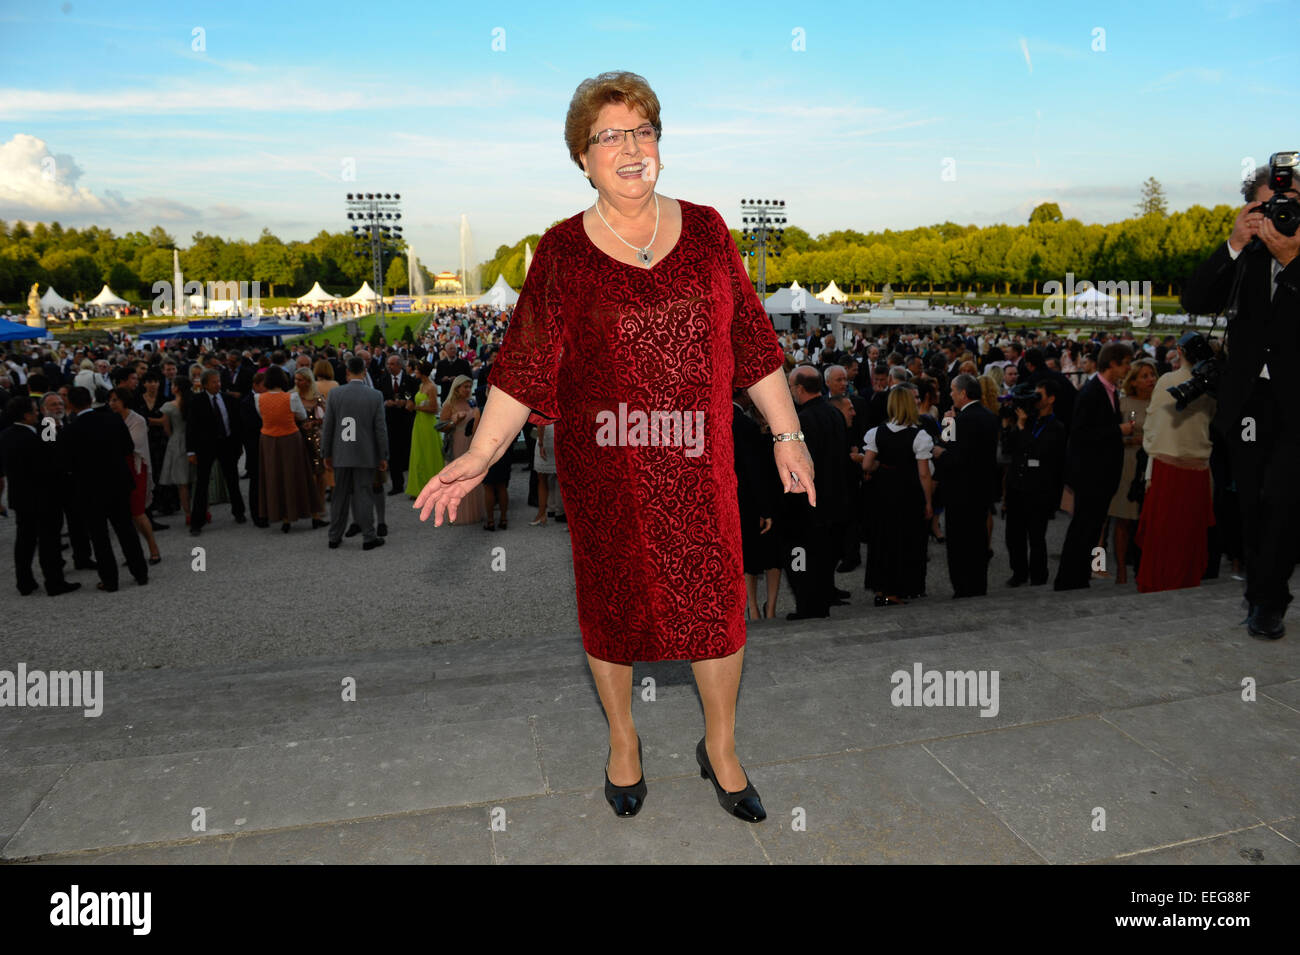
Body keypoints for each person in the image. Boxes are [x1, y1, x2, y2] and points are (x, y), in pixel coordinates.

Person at [413, 71, 810, 823]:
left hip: (700, 469)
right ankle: (622, 740)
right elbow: (525, 365)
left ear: (659, 143)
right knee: (613, 611)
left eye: (643, 131)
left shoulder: (710, 229)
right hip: (608, 473)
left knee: (717, 612)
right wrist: (482, 454)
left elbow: (752, 344)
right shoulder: (561, 251)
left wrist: (788, 435)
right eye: (610, 137)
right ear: (582, 157)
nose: (630, 148)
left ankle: (720, 747)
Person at [1183, 164, 1300, 637]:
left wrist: (1293, 262)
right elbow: (1195, 298)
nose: (1280, 214)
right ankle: (1260, 597)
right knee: (1252, 504)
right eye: (1269, 205)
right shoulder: (1244, 255)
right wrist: (1234, 242)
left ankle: (1271, 598)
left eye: (1290, 204)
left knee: (1284, 499)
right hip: (1248, 400)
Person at [1134, 337, 1217, 592]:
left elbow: (1152, 423)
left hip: (1169, 468)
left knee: (1165, 534)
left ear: (1180, 352)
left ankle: (1161, 582)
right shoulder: (1213, 384)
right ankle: (1185, 581)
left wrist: (1153, 445)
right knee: (1188, 535)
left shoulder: (1168, 381)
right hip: (1198, 467)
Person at [1054, 343, 1135, 590]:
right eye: (1125, 363)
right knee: (1083, 527)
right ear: (1113, 363)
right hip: (1091, 475)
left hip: (1101, 474)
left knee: (1090, 528)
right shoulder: (1092, 391)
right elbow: (1080, 434)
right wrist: (1117, 430)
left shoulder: (1107, 389)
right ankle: (1069, 579)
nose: (1128, 369)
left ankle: (1078, 576)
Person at [58, 386, 149, 591]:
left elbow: (65, 464)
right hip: (117, 482)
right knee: (126, 529)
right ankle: (140, 572)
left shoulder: (70, 430)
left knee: (100, 537)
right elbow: (127, 448)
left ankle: (110, 579)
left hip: (90, 488)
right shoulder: (113, 419)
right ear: (91, 400)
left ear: (70, 405)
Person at [0, 396, 80, 596]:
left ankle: (24, 582)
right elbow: (52, 460)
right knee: (49, 542)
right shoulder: (35, 437)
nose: (39, 414)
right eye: (36, 411)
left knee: (24, 541)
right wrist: (49, 425)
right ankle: (54, 583)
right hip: (44, 497)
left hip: (19, 496)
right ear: (26, 415)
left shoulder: (6, 435)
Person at [861, 386, 933, 605]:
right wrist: (929, 501)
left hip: (883, 490)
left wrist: (880, 465)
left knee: (882, 539)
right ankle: (901, 588)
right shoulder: (919, 435)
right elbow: (924, 474)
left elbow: (866, 464)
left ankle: (882, 587)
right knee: (906, 539)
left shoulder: (877, 432)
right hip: (908, 492)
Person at [785, 365, 847, 619]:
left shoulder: (802, 421)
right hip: (834, 500)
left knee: (801, 558)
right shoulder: (835, 414)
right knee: (824, 555)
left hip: (807, 504)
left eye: (791, 388)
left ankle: (808, 605)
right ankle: (821, 599)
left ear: (799, 388)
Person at [933, 373, 999, 597]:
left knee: (960, 544)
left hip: (960, 492)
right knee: (979, 540)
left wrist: (940, 451)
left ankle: (962, 587)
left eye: (952, 390)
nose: (950, 394)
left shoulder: (962, 421)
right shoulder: (989, 416)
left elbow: (951, 453)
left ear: (962, 393)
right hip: (982, 490)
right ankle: (978, 585)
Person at [1002, 382, 1066, 587]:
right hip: (1016, 487)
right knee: (1014, 536)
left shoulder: (1056, 427)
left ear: (1051, 398)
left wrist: (1022, 429)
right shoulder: (1027, 420)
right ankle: (1019, 573)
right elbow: (1008, 448)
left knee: (1036, 536)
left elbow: (1040, 451)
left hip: (1039, 490)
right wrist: (1012, 426)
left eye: (1039, 395)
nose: (1035, 399)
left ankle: (1039, 575)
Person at [321, 357, 388, 550]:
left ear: (347, 372)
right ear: (364, 371)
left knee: (339, 495)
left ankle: (334, 536)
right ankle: (368, 536)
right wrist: (383, 454)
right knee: (363, 494)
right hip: (365, 453)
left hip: (341, 452)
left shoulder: (335, 394)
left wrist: (326, 452)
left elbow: (329, 426)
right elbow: (380, 429)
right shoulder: (375, 396)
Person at [256, 366, 326, 533]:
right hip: (290, 438)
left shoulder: (259, 398)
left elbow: (263, 416)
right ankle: (314, 516)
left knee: (276, 478)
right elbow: (301, 416)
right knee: (300, 476)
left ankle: (285, 518)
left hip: (268, 439)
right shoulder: (291, 398)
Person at [1107, 357, 1157, 584]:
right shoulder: (1123, 403)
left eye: (1152, 375)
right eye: (1144, 376)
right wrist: (1127, 439)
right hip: (1127, 464)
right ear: (1133, 381)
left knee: (1148, 520)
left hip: (1151, 465)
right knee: (1123, 520)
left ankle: (1145, 565)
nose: (1150, 379)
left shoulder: (1159, 403)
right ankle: (1121, 570)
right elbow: (1109, 433)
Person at [186, 369, 247, 536]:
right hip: (205, 447)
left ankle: (239, 511)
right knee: (202, 483)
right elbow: (191, 427)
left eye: (219, 381)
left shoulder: (227, 399)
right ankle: (197, 520)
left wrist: (238, 444)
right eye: (214, 382)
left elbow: (236, 423)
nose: (217, 384)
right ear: (205, 384)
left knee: (232, 479)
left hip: (227, 443)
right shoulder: (197, 401)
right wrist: (191, 451)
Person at [108, 386, 161, 564]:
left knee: (138, 512)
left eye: (115, 400)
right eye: (111, 400)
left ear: (124, 401)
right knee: (126, 514)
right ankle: (134, 552)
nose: (112, 404)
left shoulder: (137, 420)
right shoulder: (112, 419)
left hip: (136, 468)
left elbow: (132, 446)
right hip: (118, 469)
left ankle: (154, 548)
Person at [443, 375, 487, 526]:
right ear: (457, 388)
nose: (468, 390)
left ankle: (474, 512)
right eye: (465, 387)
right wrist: (453, 421)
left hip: (471, 443)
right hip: (457, 443)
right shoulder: (449, 404)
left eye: (470, 387)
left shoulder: (472, 402)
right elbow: (439, 427)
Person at [404, 360, 447, 498]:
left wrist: (415, 407)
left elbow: (434, 409)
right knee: (418, 454)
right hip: (419, 422)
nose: (414, 372)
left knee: (429, 454)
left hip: (428, 424)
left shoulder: (431, 387)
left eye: (416, 370)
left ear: (422, 372)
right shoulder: (421, 385)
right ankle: (419, 487)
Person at [379, 354, 417, 495]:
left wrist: (407, 402)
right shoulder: (383, 380)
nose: (389, 366)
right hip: (391, 422)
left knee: (409, 452)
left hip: (407, 421)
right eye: (388, 364)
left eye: (392, 364)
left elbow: (415, 397)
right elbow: (380, 397)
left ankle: (414, 484)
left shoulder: (410, 380)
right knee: (394, 454)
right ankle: (397, 485)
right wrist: (386, 403)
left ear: (400, 365)